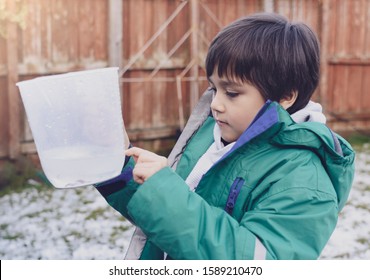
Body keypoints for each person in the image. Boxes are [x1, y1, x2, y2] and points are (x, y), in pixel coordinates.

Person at [95, 12, 355, 260]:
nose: (215, 104)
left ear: (286, 96)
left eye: (231, 93)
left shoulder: (304, 183)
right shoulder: (214, 136)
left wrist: (165, 191)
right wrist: (120, 167)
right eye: (214, 88)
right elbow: (167, 218)